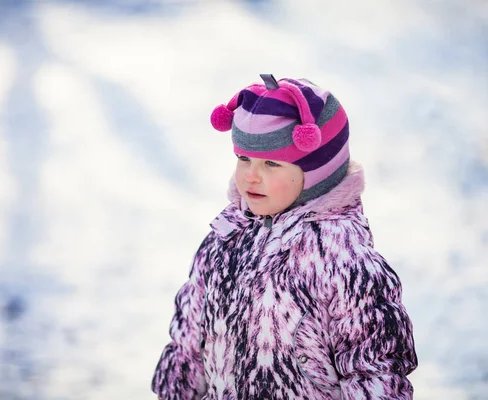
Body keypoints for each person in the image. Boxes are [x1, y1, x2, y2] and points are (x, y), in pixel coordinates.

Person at [151, 75, 418, 400]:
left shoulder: (341, 259)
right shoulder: (225, 238)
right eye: (244, 158)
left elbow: (372, 367)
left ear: (316, 175)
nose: (251, 174)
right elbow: (189, 339)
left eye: (271, 163)